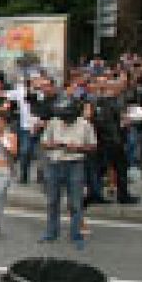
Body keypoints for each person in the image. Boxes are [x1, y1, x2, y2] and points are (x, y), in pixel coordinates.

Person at [39, 98, 97, 248]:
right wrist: (56, 145)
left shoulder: (85, 125)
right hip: (55, 163)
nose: (63, 119)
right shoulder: (53, 122)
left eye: (66, 116)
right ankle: (51, 232)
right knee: (52, 201)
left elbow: (92, 146)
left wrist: (78, 148)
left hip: (75, 164)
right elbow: (44, 143)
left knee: (75, 203)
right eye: (62, 116)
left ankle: (76, 234)